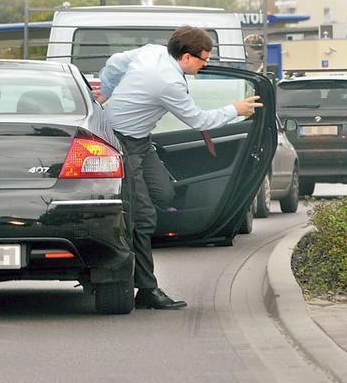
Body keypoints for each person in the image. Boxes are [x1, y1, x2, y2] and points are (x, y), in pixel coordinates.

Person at [95, 26, 263, 310]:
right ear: (186, 57)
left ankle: (134, 234)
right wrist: (235, 109)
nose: (205, 64)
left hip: (141, 140)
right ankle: (146, 289)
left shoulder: (153, 52)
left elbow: (113, 63)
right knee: (144, 217)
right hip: (120, 145)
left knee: (164, 194)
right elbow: (198, 121)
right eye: (203, 59)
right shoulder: (168, 82)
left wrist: (106, 95)